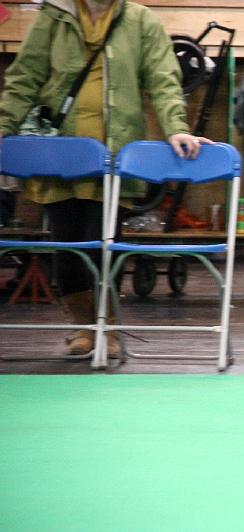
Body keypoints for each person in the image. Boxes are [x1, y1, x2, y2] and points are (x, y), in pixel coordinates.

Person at [0, 0, 209, 357]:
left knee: (102, 244)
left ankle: (106, 326)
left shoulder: (140, 19)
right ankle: (83, 326)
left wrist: (176, 127)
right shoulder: (54, 16)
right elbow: (25, 78)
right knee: (67, 248)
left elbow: (163, 78)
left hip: (114, 157)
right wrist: (3, 128)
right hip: (60, 154)